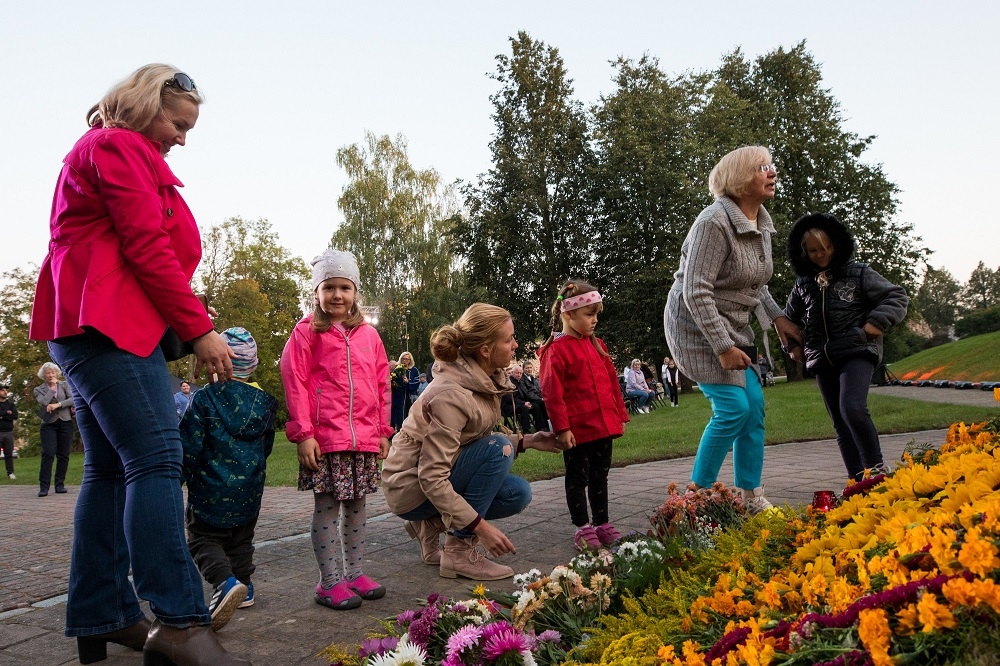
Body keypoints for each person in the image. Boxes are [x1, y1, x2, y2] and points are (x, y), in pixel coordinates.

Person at [28, 64, 250, 665]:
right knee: (156, 459)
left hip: (88, 324)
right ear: (146, 103)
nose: (183, 138)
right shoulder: (119, 145)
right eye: (178, 123)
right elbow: (146, 246)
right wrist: (199, 329)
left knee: (110, 469)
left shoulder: (100, 150)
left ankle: (103, 613)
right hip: (108, 325)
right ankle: (178, 621)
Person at [663, 145, 802, 514]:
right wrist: (723, 345)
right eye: (762, 167)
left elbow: (754, 284)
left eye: (771, 165)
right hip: (695, 325)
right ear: (740, 179)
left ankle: (750, 495)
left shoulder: (760, 223)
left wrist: (778, 317)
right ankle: (694, 498)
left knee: (754, 408)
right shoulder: (713, 222)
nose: (772, 172)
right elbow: (696, 290)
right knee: (733, 409)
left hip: (732, 324)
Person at [381, 303, 564, 580]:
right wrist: (479, 527)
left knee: (517, 493)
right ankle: (459, 552)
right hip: (409, 486)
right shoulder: (451, 393)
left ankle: (429, 524)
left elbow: (470, 440)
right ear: (485, 350)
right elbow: (432, 476)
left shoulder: (480, 379)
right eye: (508, 339)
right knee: (498, 449)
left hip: (424, 482)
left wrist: (530, 440)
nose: (515, 344)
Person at [280, 249, 393, 611]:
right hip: (325, 439)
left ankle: (355, 573)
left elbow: (381, 384)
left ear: (355, 291)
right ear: (317, 292)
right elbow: (294, 380)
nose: (338, 295)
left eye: (345, 287)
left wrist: (382, 431)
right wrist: (304, 434)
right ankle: (329, 582)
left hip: (362, 437)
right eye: (329, 287)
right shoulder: (305, 333)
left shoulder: (368, 337)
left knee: (358, 506)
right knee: (327, 507)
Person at [784, 212, 908, 482]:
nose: (821, 254)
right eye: (814, 250)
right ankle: (857, 482)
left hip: (857, 351)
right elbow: (787, 319)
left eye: (827, 247)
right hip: (821, 358)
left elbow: (896, 296)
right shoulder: (803, 284)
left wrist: (876, 322)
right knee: (840, 423)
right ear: (803, 252)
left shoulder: (859, 273)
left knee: (851, 407)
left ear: (837, 244)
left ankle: (876, 470)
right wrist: (793, 345)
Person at [181, 327, 277, 631]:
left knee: (202, 539)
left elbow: (190, 444)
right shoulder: (264, 404)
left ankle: (225, 582)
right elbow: (267, 446)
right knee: (240, 539)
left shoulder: (204, 400)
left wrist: (179, 475)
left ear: (216, 362)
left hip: (210, 489)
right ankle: (245, 587)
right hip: (249, 489)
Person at [538, 280, 630, 551]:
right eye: (589, 315)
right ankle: (582, 527)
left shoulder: (597, 345)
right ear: (568, 314)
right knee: (578, 478)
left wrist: (618, 414)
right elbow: (552, 393)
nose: (595, 320)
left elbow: (611, 382)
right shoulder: (556, 350)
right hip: (578, 430)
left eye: (596, 314)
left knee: (600, 476)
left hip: (603, 425)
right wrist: (562, 428)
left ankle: (601, 522)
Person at [34, 362, 76, 497]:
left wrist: (58, 404)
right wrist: (52, 388)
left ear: (57, 373)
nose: (51, 375)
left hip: (65, 422)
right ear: (43, 375)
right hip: (48, 425)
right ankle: (44, 487)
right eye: (48, 373)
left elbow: (73, 399)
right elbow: (44, 402)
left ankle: (60, 485)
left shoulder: (64, 385)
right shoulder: (38, 389)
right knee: (48, 454)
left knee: (63, 455)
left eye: (53, 372)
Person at [500, 364, 534, 435]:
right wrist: (523, 403)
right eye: (517, 373)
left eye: (520, 373)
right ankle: (526, 430)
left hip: (517, 403)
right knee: (523, 408)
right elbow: (509, 398)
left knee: (535, 405)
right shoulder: (507, 383)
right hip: (508, 406)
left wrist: (527, 402)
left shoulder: (519, 382)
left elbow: (523, 395)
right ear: (512, 373)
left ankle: (542, 426)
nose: (519, 375)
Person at [391, 352, 420, 428]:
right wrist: (393, 382)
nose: (405, 361)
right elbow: (393, 380)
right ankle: (395, 432)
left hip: (409, 397)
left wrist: (408, 382)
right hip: (398, 396)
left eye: (407, 359)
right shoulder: (397, 370)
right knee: (397, 415)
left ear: (410, 360)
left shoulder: (414, 370)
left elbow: (417, 382)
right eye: (403, 359)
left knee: (407, 414)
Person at [519, 360, 549, 431]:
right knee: (541, 403)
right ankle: (544, 425)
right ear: (523, 369)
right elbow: (527, 392)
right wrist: (539, 399)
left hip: (538, 398)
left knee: (546, 402)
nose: (529, 370)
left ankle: (547, 423)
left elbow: (539, 390)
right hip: (529, 399)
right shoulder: (522, 379)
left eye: (530, 368)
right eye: (527, 368)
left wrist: (543, 397)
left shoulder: (534, 379)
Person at [0, 384, 18, 480]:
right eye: (2, 390)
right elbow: (9, 415)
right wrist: (6, 413)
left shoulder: (10, 404)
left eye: (5, 390)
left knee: (9, 454)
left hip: (9, 431)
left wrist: (2, 416)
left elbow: (15, 416)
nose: (5, 392)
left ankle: (10, 473)